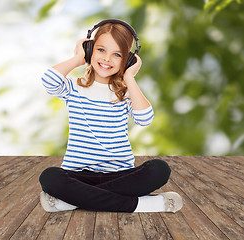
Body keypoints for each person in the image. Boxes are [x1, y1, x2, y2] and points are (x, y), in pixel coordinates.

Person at [39, 19, 183, 213]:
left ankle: (70, 202)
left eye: (117, 54)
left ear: (128, 60)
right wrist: (78, 58)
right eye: (100, 50)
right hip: (77, 174)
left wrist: (129, 78)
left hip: (120, 174)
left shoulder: (125, 94)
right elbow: (48, 81)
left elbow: (145, 118)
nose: (107, 59)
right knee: (50, 177)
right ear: (90, 50)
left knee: (159, 169)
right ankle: (143, 205)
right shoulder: (73, 87)